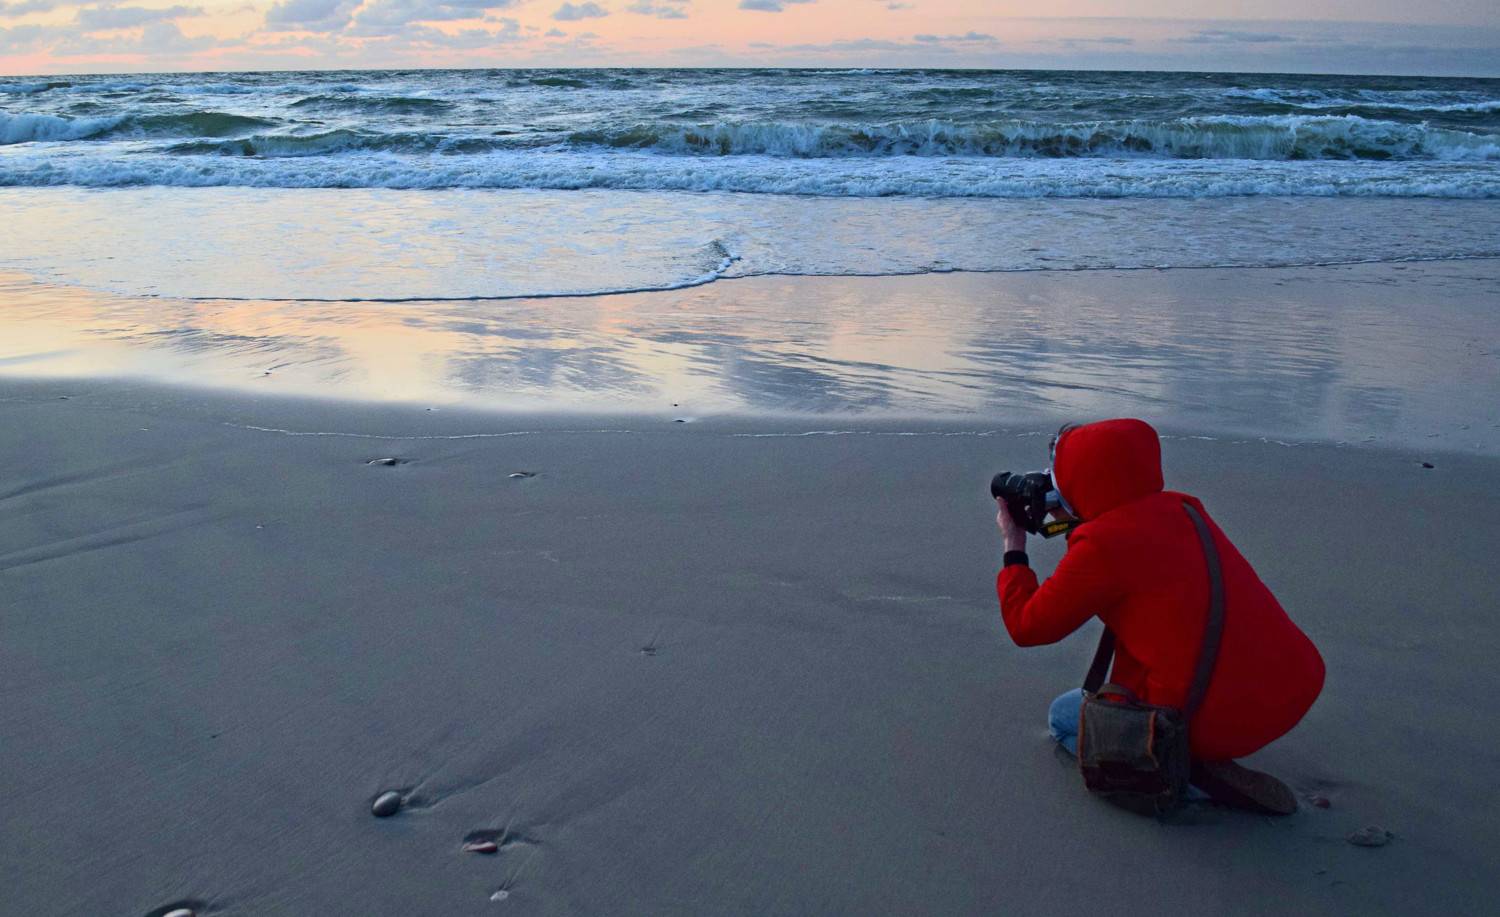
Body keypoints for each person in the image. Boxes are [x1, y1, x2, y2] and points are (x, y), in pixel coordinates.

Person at [995, 418, 1325, 814]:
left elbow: (1027, 626)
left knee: (1064, 716)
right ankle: (1196, 750)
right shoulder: (1184, 509)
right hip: (1293, 684)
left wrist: (1014, 546)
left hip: (1214, 715)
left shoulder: (1102, 546)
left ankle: (1188, 776)